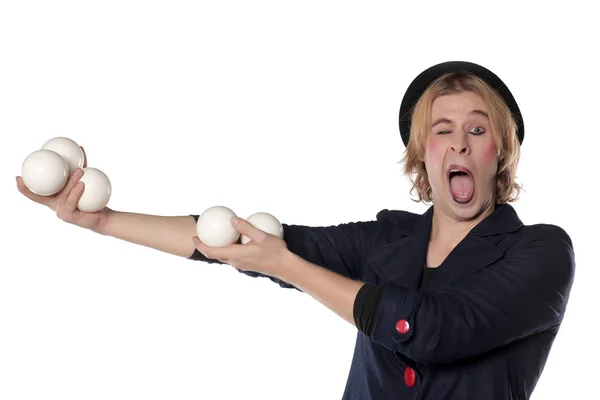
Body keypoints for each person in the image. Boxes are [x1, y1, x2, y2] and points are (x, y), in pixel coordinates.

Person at [16, 61, 575, 399]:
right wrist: (104, 221)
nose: (458, 142)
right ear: (422, 155)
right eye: (442, 130)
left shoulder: (542, 251)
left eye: (477, 129)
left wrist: (286, 266)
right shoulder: (389, 241)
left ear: (498, 151)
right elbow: (236, 241)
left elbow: (436, 331)